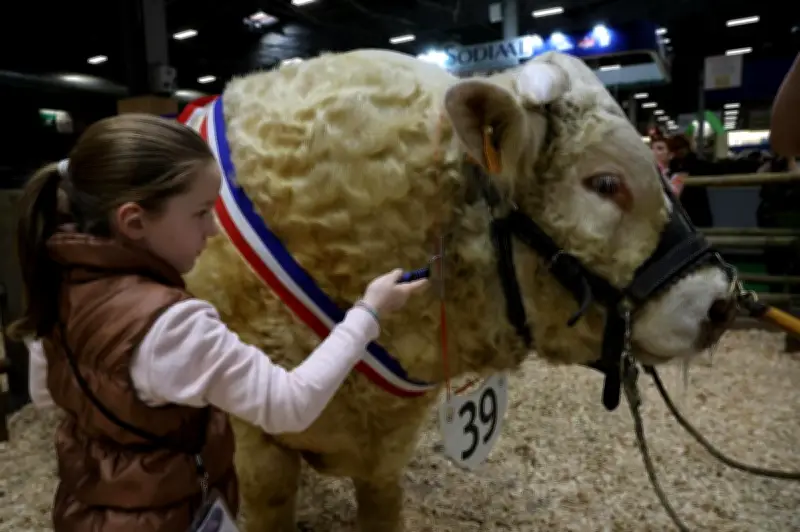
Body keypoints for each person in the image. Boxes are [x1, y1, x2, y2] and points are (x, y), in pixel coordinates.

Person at [10, 113, 428, 532]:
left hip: (87, 508)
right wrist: (368, 313)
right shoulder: (172, 326)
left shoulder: (56, 284)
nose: (213, 230)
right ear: (134, 221)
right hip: (169, 513)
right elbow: (290, 406)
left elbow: (46, 397)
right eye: (201, 213)